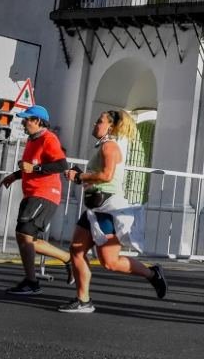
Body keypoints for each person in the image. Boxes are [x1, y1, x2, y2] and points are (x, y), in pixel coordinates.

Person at [60, 110, 166, 313]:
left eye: (99, 121)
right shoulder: (102, 146)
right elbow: (98, 175)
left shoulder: (110, 146)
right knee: (76, 250)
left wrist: (80, 177)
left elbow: (107, 175)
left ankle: (153, 274)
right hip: (93, 208)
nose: (95, 124)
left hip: (107, 209)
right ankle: (83, 300)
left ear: (110, 126)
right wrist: (81, 176)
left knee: (109, 262)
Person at [0, 105, 73, 295]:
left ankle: (31, 282)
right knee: (26, 238)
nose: (23, 123)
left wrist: (35, 169)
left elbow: (61, 165)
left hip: (45, 193)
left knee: (24, 234)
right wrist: (14, 176)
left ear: (37, 121)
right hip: (33, 193)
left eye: (26, 119)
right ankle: (67, 258)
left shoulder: (49, 138)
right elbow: (29, 166)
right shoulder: (31, 140)